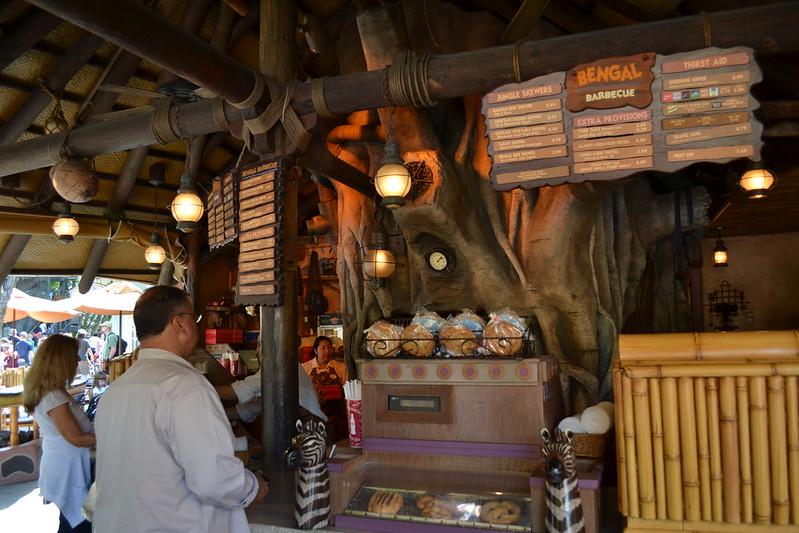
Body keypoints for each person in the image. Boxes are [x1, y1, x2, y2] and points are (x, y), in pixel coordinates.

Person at [94, 286, 268, 533]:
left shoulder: (116, 391)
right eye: (194, 319)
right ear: (179, 324)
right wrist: (255, 486)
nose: (197, 326)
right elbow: (214, 481)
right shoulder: (186, 385)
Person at [22, 334, 95, 533]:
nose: (78, 359)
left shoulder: (52, 392)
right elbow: (77, 438)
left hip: (64, 466)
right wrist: (113, 435)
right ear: (61, 359)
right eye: (74, 355)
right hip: (66, 469)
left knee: (72, 523)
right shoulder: (53, 395)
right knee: (78, 525)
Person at [301, 335, 348, 442]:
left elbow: (347, 391)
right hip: (313, 416)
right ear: (316, 350)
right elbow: (301, 391)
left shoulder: (340, 367)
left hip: (336, 418)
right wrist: (314, 394)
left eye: (329, 347)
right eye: (323, 348)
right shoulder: (305, 368)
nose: (327, 351)